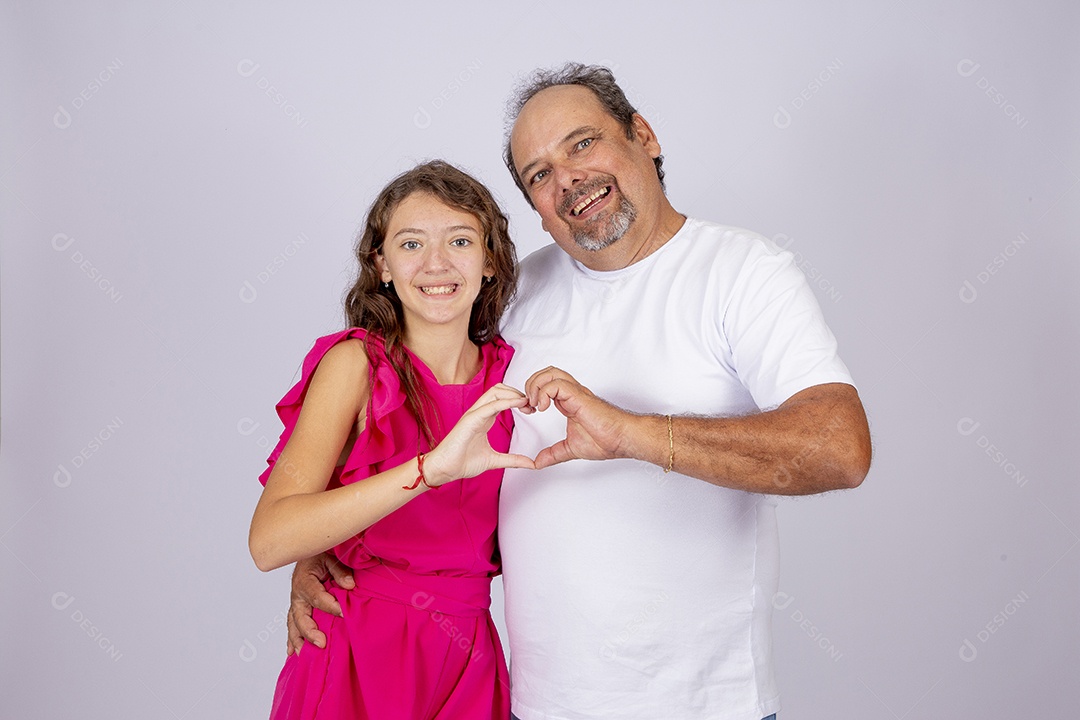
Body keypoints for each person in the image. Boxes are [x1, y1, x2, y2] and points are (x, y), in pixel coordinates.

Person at [289, 64, 872, 720]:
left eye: (582, 144)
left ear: (643, 135)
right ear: (535, 211)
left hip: (705, 704)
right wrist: (327, 552)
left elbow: (840, 449)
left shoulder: (744, 271)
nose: (567, 179)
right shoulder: (509, 294)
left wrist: (633, 432)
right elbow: (410, 423)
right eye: (539, 174)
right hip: (538, 705)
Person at [249, 160, 533, 719]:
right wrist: (428, 471)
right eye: (410, 244)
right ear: (381, 264)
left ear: (490, 261)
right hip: (358, 652)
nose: (436, 263)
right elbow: (270, 541)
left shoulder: (513, 373)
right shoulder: (356, 366)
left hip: (469, 657)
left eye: (460, 240)